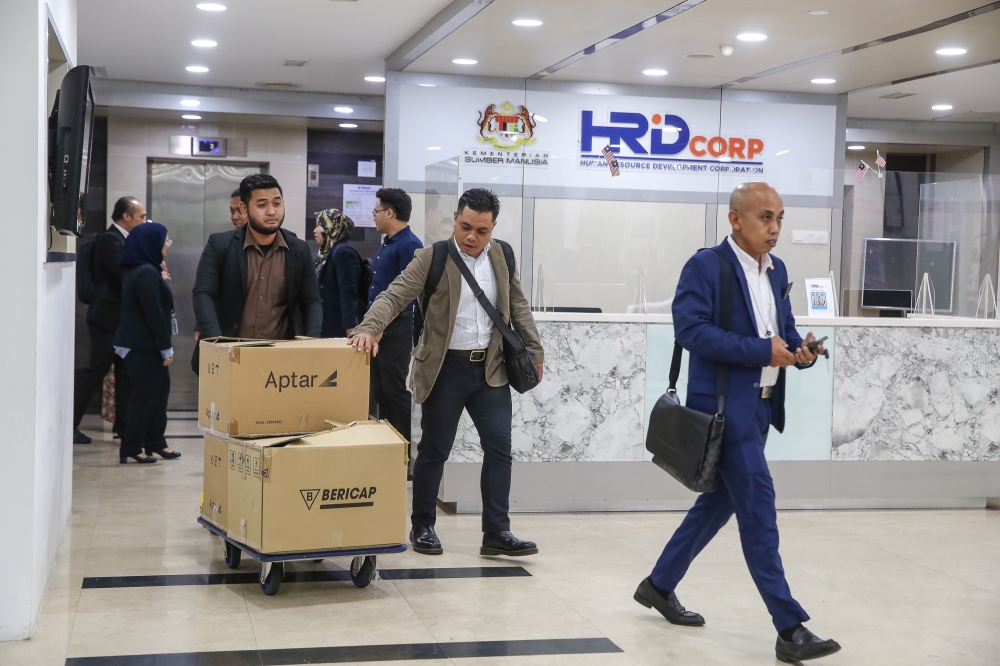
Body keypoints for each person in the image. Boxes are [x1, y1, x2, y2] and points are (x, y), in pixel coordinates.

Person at [633, 182, 840, 663]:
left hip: (761, 408)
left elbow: (781, 333)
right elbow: (690, 330)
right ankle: (789, 627)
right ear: (735, 219)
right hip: (723, 412)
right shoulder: (706, 266)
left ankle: (658, 585)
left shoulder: (778, 269)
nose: (775, 228)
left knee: (719, 503)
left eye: (780, 219)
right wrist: (759, 350)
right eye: (766, 218)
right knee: (759, 511)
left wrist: (801, 351)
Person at [350, 188, 544, 558]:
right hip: (444, 370)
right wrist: (369, 328)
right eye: (466, 226)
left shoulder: (502, 256)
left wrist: (535, 350)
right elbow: (393, 295)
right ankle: (423, 525)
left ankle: (496, 532)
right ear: (455, 219)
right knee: (435, 451)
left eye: (482, 230)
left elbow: (518, 306)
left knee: (500, 450)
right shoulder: (432, 257)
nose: (472, 237)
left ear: (493, 227)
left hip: (491, 370)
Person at [192, 174, 321, 361]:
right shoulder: (219, 245)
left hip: (280, 359)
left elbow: (311, 301)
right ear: (244, 209)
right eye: (262, 205)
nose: (271, 211)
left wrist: (311, 344)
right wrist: (216, 343)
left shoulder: (298, 249)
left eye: (277, 204)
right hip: (229, 356)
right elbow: (203, 293)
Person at [72, 197, 146, 444]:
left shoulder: (122, 240)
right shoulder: (109, 240)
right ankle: (70, 423)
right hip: (106, 320)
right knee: (96, 371)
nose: (143, 221)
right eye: (141, 216)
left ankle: (123, 427)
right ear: (126, 217)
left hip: (121, 320)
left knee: (125, 373)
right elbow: (124, 273)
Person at [113, 222, 179, 464]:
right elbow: (154, 314)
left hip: (145, 343)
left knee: (159, 393)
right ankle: (131, 446)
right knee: (144, 397)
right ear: (152, 243)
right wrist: (166, 348)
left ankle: (155, 442)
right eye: (166, 240)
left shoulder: (145, 270)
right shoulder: (145, 273)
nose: (168, 245)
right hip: (143, 345)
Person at [367, 188, 422, 450]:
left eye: (377, 212)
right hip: (379, 329)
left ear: (390, 212)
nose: (374, 217)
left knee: (395, 390)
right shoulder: (388, 243)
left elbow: (405, 296)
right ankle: (386, 448)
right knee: (380, 390)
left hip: (396, 329)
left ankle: (402, 452)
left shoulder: (410, 245)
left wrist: (380, 327)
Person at [313, 209, 363, 338]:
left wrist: (350, 328)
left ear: (330, 227)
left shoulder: (343, 252)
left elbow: (348, 293)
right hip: (327, 325)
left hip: (339, 328)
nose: (315, 231)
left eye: (318, 226)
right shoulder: (327, 252)